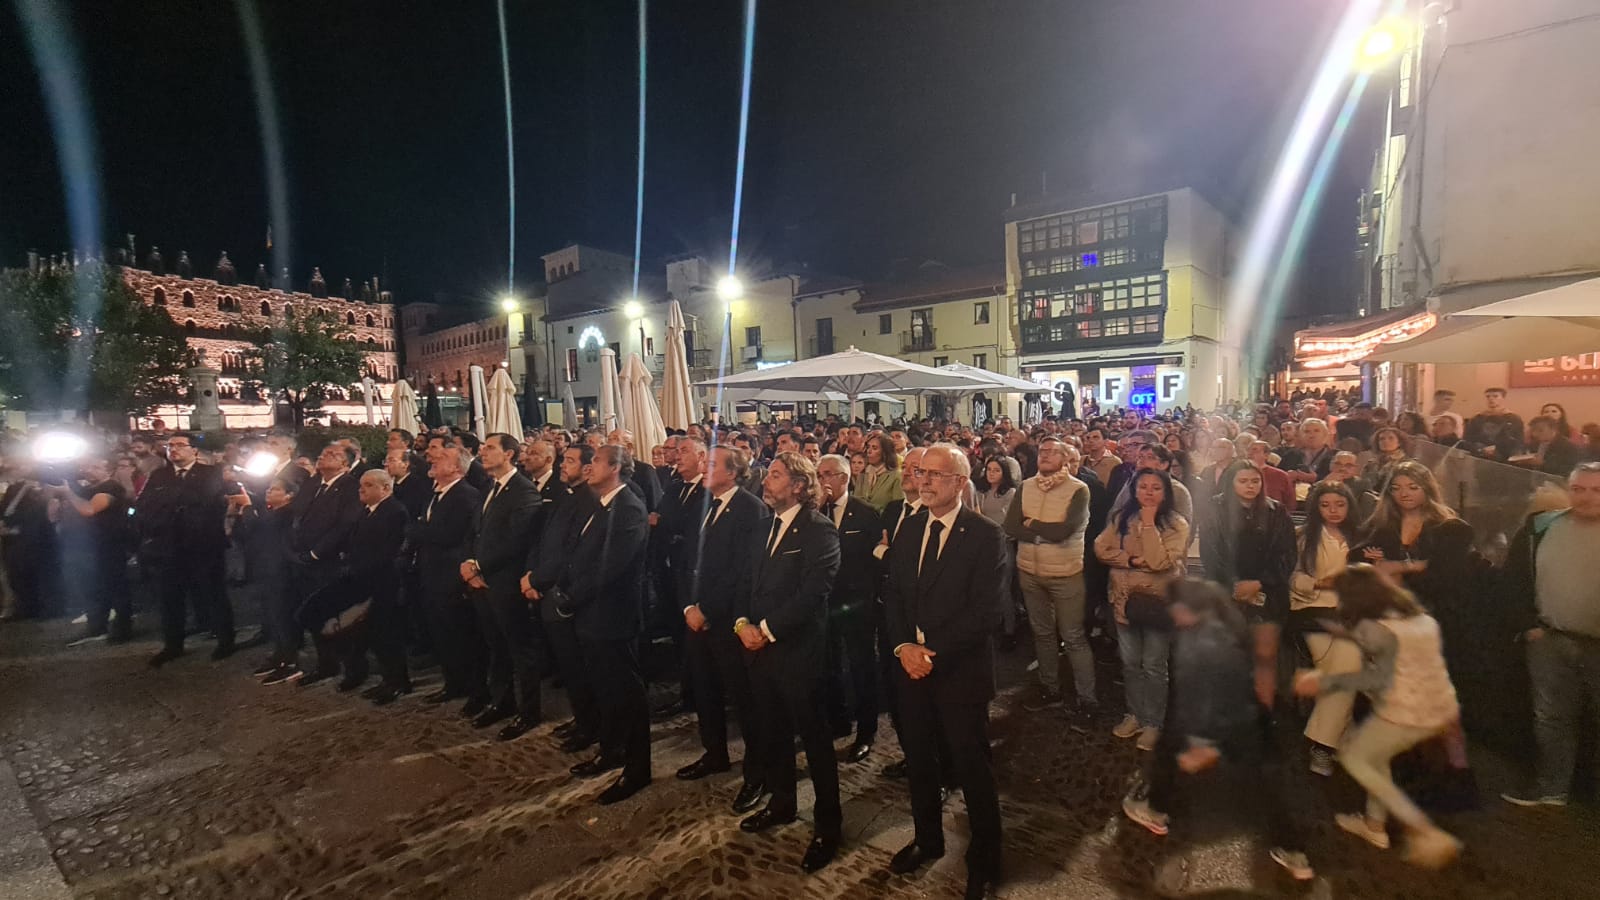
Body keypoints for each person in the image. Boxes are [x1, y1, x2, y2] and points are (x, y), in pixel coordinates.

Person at [1124, 579, 1314, 883]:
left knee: (1174, 745)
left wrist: (1205, 747)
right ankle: (1293, 850)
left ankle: (1156, 810)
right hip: (1253, 711)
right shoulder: (1224, 614)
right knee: (1267, 776)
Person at [882, 445, 1006, 899]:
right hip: (910, 670)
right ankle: (927, 839)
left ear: (960, 481)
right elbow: (893, 595)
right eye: (920, 472)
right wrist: (902, 648)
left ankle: (985, 859)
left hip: (958, 670)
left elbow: (986, 612)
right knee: (919, 760)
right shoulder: (910, 526)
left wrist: (928, 652)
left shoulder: (984, 534)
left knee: (972, 767)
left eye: (936, 474)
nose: (925, 480)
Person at [1293, 565, 1463, 869]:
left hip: (1404, 713)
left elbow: (1375, 679)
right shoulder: (1419, 616)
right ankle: (1374, 825)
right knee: (1376, 757)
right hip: (1440, 708)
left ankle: (1420, 827)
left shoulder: (1375, 630)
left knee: (1356, 759)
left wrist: (1323, 682)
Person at [736, 452, 843, 874]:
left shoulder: (819, 530)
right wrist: (742, 623)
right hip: (759, 652)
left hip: (799, 654)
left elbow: (814, 591)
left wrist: (765, 628)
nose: (767, 481)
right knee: (772, 733)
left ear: (799, 485)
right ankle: (781, 804)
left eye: (777, 476)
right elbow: (748, 582)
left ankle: (828, 826)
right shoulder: (765, 526)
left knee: (816, 745)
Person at [1501, 461, 1600, 807]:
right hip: (1550, 640)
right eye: (1578, 489)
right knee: (1551, 719)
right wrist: (1527, 626)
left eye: (1596, 490)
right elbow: (1515, 580)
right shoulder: (1540, 527)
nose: (1586, 497)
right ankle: (1551, 789)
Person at [676, 446, 768, 807]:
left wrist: (707, 609)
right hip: (695, 616)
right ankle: (714, 753)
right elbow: (687, 560)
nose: (704, 467)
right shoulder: (703, 504)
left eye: (712, 464)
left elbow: (741, 573)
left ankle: (757, 773)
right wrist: (687, 605)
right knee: (705, 689)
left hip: (728, 619)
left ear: (733, 472)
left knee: (744, 699)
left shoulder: (750, 509)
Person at [562, 445, 653, 805]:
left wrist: (572, 598)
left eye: (596, 461)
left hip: (613, 616)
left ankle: (637, 769)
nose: (588, 467)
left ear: (616, 467)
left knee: (627, 694)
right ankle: (612, 750)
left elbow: (610, 566)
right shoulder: (600, 504)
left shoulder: (628, 508)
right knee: (607, 689)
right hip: (592, 615)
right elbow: (578, 553)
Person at [1094, 470, 1189, 751]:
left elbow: (1161, 563)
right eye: (1143, 487)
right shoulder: (1121, 518)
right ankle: (1134, 713)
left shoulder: (1176, 525)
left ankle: (1153, 722)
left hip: (1157, 602)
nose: (1148, 493)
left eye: (1156, 488)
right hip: (1124, 599)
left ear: (1166, 492)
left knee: (1154, 665)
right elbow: (1101, 549)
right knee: (1131, 662)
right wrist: (1132, 561)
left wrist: (1149, 526)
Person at [1005, 437, 1096, 724]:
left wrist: (1030, 525)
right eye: (1042, 451)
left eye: (1051, 452)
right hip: (1030, 570)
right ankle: (1050, 689)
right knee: (1042, 633)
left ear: (1066, 459)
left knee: (1073, 637)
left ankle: (1087, 699)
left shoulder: (1078, 489)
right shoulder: (1026, 486)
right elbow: (1010, 526)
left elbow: (1064, 532)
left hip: (1065, 572)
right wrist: (1039, 532)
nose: (1043, 455)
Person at [461, 434, 541, 739]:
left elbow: (517, 541)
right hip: (483, 581)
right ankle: (502, 701)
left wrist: (479, 566)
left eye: (490, 448)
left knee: (520, 649)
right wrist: (469, 561)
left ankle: (529, 711)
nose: (483, 452)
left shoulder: (523, 491)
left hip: (506, 582)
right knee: (496, 645)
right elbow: (475, 530)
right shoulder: (490, 488)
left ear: (509, 454)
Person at [523, 445, 600, 751]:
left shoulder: (589, 501)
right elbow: (545, 541)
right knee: (569, 666)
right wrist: (531, 573)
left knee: (579, 666)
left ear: (587, 468)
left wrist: (540, 580)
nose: (562, 465)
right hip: (549, 586)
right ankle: (582, 718)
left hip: (565, 593)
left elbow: (572, 551)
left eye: (570, 461)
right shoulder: (565, 495)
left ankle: (590, 724)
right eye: (563, 459)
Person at [1201, 461, 1296, 709]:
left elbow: (1286, 554)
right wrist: (1234, 586)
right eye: (1243, 481)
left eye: (1255, 481)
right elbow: (1210, 553)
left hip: (1267, 592)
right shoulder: (1215, 508)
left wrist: (1260, 582)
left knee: (1264, 656)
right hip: (1225, 591)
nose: (1250, 486)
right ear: (1232, 483)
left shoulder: (1276, 511)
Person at [136, 434, 235, 666]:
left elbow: (205, 501)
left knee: (213, 594)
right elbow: (144, 504)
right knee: (170, 597)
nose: (174, 450)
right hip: (168, 545)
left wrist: (173, 502)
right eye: (170, 446)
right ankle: (173, 644)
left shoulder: (211, 473)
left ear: (194, 451)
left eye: (180, 445)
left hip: (203, 545)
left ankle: (225, 640)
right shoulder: (160, 475)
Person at [1290, 481, 1363, 776]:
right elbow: (1292, 577)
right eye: (1325, 505)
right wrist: (1320, 583)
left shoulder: (1361, 537)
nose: (1333, 511)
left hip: (1355, 614)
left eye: (1340, 504)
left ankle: (1340, 740)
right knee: (1347, 670)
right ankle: (1323, 746)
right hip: (1314, 611)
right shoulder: (1304, 536)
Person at [316, 470, 409, 693]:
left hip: (382, 583)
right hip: (364, 582)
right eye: (361, 485)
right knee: (372, 634)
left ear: (385, 488)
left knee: (387, 634)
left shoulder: (394, 512)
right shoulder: (366, 511)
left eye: (368, 485)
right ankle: (386, 679)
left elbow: (388, 551)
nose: (361, 489)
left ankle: (398, 682)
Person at [817, 453, 882, 763]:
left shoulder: (865, 513)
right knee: (828, 663)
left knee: (861, 665)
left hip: (856, 601)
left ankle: (866, 730)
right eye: (819, 474)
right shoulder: (814, 512)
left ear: (844, 479)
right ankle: (837, 719)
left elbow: (874, 562)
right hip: (824, 601)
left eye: (828, 474)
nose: (822, 480)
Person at [411, 446, 486, 712]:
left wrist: (421, 529)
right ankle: (453, 683)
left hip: (452, 576)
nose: (433, 459)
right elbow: (424, 527)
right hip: (431, 573)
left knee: (463, 635)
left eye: (442, 458)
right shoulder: (435, 494)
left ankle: (477, 691)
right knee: (442, 634)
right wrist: (422, 529)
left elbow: (450, 534)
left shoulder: (465, 495)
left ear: (456, 468)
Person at [285, 443, 365, 684]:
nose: (324, 455)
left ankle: (354, 668)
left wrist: (316, 553)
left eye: (333, 454)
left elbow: (345, 525)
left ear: (345, 463)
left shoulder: (351, 486)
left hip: (330, 562)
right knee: (314, 615)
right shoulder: (313, 483)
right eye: (323, 452)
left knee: (338, 617)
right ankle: (326, 663)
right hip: (303, 560)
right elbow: (296, 515)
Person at [56, 456, 133, 645]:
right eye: (87, 466)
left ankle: (122, 629)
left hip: (109, 546)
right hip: (89, 546)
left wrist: (69, 493)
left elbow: (89, 509)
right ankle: (97, 625)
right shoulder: (89, 488)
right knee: (94, 589)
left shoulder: (111, 488)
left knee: (116, 588)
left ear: (108, 470)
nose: (89, 470)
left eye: (95, 467)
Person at [976, 456, 1021, 650]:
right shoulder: (981, 491)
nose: (991, 473)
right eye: (989, 469)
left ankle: (1010, 629)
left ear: (1004, 473)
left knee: (1004, 588)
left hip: (1003, 543)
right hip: (982, 544)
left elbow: (1009, 521)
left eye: (996, 470)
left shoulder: (1010, 493)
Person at [1464, 387, 1524, 459]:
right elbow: (1469, 438)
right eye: (1488, 396)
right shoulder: (1477, 418)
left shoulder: (1513, 418)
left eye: (1495, 396)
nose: (1491, 399)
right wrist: (1479, 448)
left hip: (1505, 455)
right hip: (1481, 455)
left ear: (1503, 398)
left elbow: (1518, 440)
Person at [853, 432, 903, 512]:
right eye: (868, 447)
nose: (869, 451)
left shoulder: (897, 476)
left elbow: (897, 509)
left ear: (885, 452)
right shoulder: (863, 474)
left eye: (874, 448)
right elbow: (855, 502)